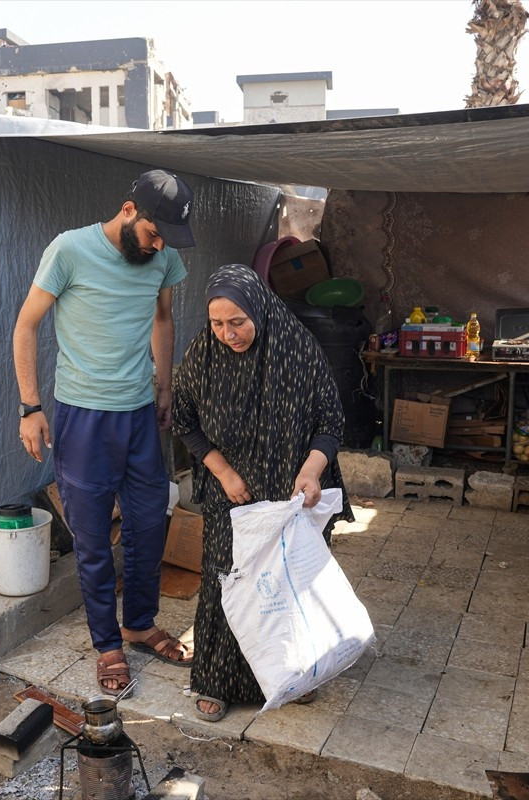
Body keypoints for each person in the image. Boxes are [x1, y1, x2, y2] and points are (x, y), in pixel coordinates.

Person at [12, 170, 197, 697]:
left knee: (149, 524)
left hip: (139, 414)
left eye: (166, 240)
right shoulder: (69, 250)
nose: (158, 247)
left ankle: (138, 624)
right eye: (154, 234)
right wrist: (30, 407)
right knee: (93, 538)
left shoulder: (163, 258)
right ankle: (107, 644)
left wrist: (164, 386)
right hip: (83, 417)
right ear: (128, 210)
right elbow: (26, 326)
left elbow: (163, 320)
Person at [171, 263, 354, 721]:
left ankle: (294, 672)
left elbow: (331, 421)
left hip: (293, 496)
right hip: (232, 496)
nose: (228, 334)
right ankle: (217, 680)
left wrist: (312, 470)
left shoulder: (297, 348)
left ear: (259, 309)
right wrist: (224, 473)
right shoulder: (203, 354)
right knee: (228, 581)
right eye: (217, 323)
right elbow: (185, 422)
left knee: (290, 587)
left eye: (238, 322)